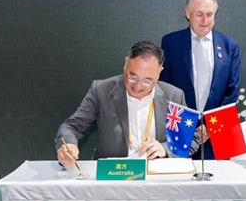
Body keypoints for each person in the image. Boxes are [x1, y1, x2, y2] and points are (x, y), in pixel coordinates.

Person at [56, 41, 197, 167]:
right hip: (114, 173)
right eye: (132, 77)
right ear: (125, 63)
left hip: (156, 174)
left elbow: (190, 139)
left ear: (159, 73)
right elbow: (71, 127)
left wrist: (165, 149)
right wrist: (67, 145)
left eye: (147, 80)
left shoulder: (173, 96)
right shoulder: (101, 90)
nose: (138, 86)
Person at [160, 0, 241, 158]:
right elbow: (165, 86)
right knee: (178, 172)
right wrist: (188, 124)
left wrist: (211, 126)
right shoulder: (170, 43)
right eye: (199, 14)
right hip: (181, 124)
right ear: (188, 13)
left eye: (210, 14)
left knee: (225, 173)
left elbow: (232, 90)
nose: (205, 20)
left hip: (221, 125)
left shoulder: (230, 46)